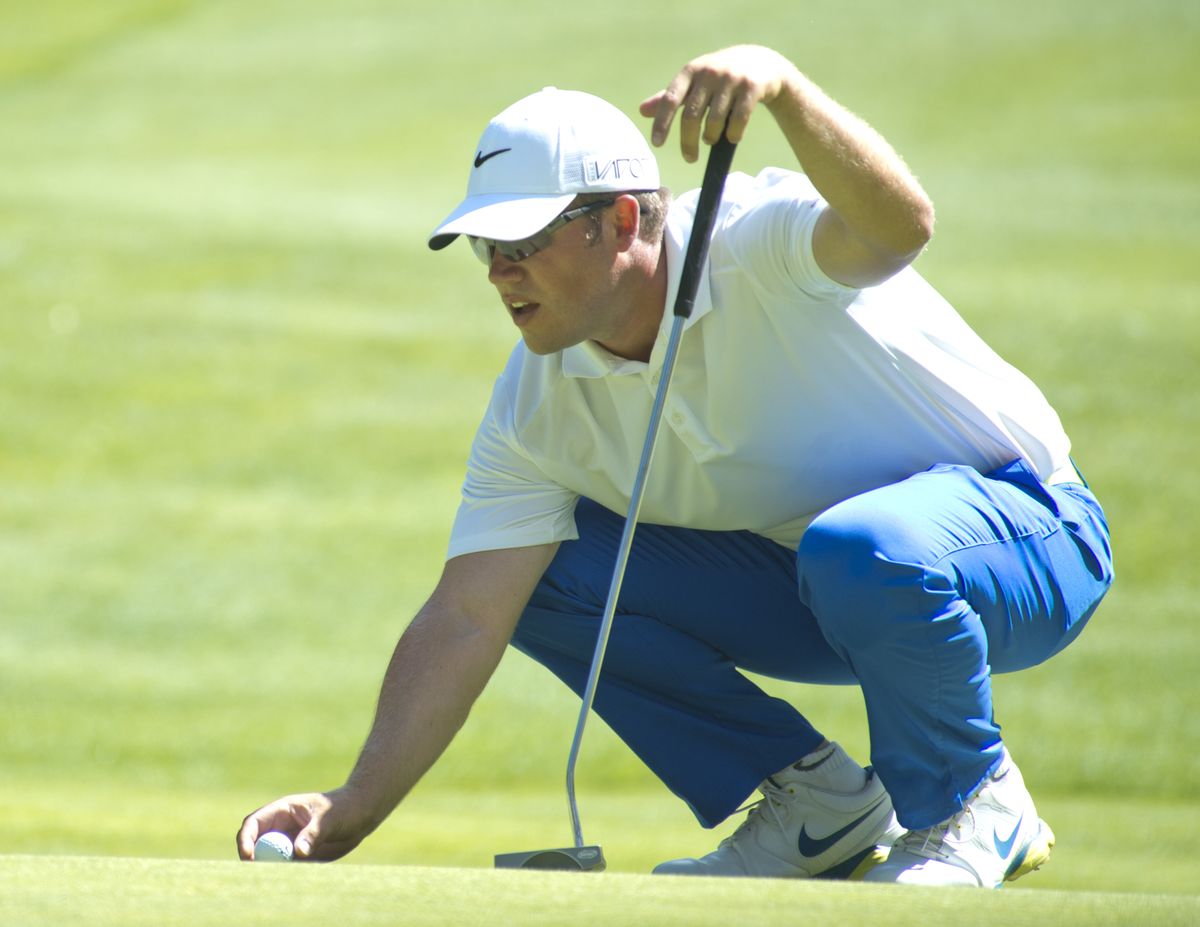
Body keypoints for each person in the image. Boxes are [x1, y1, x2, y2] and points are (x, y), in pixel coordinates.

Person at [237, 45, 1112, 888]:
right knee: (544, 577)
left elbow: (899, 225)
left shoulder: (756, 244)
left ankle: (973, 801)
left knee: (862, 544)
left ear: (619, 220)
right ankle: (821, 806)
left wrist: (785, 87)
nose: (500, 273)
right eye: (484, 250)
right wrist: (351, 805)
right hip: (834, 585)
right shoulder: (537, 397)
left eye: (523, 242)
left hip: (1030, 536)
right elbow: (467, 616)